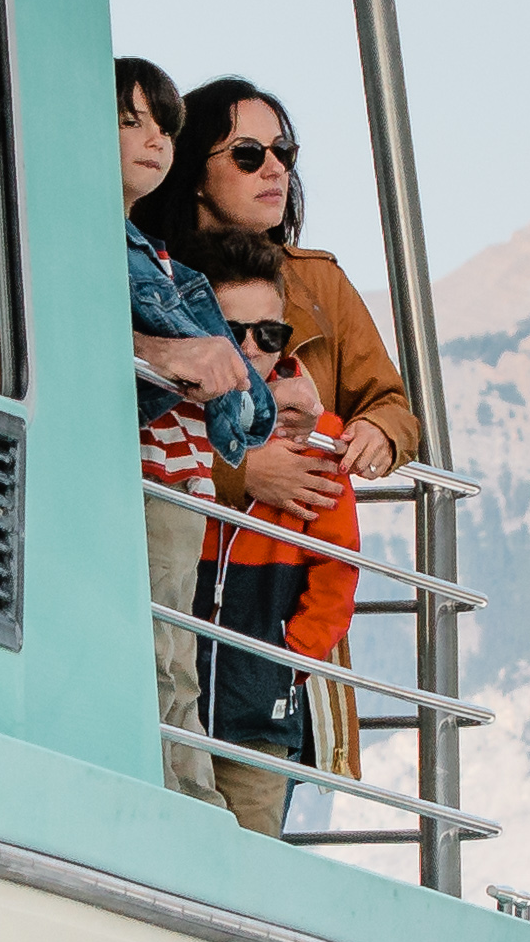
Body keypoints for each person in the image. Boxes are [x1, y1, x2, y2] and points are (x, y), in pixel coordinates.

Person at [139, 74, 422, 788]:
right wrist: (243, 471)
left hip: (283, 588)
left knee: (260, 785)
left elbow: (391, 403)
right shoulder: (153, 274)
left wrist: (374, 437)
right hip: (178, 566)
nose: (275, 168)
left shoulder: (317, 283)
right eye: (247, 153)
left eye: (283, 151)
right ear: (193, 169)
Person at [117, 60, 261, 808]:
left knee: (175, 644)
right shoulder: (110, 248)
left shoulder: (154, 253)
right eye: (129, 120)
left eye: (165, 127)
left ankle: (189, 790)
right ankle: (187, 799)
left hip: (184, 474)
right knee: (160, 644)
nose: (153, 139)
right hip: (149, 469)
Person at [196, 258, 364, 839]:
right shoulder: (179, 417)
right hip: (176, 692)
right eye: (231, 329)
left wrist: (289, 659)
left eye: (269, 334)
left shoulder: (322, 439)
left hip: (260, 706)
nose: (251, 347)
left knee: (249, 859)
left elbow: (338, 570)